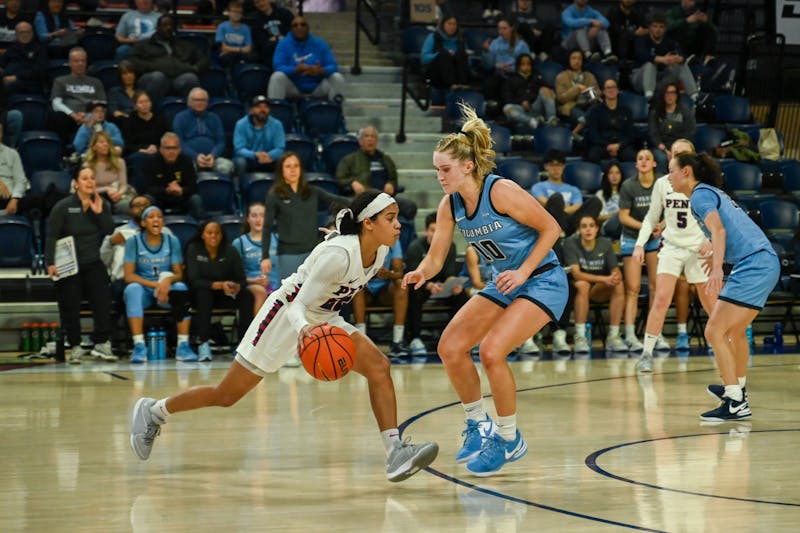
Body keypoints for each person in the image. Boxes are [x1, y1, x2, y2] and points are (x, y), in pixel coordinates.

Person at [130, 190, 440, 482]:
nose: (398, 224)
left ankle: (395, 452)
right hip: (285, 315)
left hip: (323, 317)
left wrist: (397, 276)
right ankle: (154, 411)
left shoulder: (380, 250)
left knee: (379, 367)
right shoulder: (338, 255)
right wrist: (305, 329)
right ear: (368, 223)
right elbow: (298, 304)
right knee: (226, 395)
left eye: (397, 216)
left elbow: (357, 278)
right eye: (390, 217)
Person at [403, 103, 567, 476]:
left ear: (467, 166)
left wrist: (524, 271)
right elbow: (435, 258)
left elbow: (552, 229)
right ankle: (478, 425)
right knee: (450, 346)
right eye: (436, 170)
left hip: (542, 278)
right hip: (505, 281)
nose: (440, 177)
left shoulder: (502, 192)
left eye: (445, 170)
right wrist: (420, 273)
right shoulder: (450, 206)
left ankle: (509, 438)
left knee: (492, 351)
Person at [668, 152, 779, 421]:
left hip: (754, 264)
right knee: (737, 332)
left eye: (671, 170)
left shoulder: (699, 195)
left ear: (686, 172)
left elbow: (719, 231)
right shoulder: (709, 192)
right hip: (763, 261)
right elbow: (726, 231)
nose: (668, 176)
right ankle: (737, 389)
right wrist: (714, 253)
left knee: (714, 330)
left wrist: (718, 267)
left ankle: (735, 401)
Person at [632, 139, 717, 372]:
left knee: (710, 302)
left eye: (682, 153)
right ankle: (647, 353)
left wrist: (710, 241)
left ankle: (722, 345)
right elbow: (651, 217)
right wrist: (640, 244)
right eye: (674, 152)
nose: (676, 156)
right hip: (672, 246)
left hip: (698, 247)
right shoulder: (663, 183)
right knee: (660, 299)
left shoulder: (704, 185)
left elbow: (718, 218)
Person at [45, 166, 117, 364]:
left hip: (92, 261)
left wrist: (99, 212)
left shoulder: (102, 205)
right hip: (68, 264)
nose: (90, 182)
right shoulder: (64, 206)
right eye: (85, 178)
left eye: (92, 178)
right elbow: (51, 236)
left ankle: (101, 343)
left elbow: (110, 230)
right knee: (70, 305)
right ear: (76, 183)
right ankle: (75, 346)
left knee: (103, 301)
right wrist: (50, 263)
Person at [123, 205, 198, 363]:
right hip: (145, 290)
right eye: (151, 217)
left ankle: (183, 346)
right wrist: (154, 285)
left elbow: (179, 274)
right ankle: (139, 346)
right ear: (143, 223)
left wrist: (167, 281)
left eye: (159, 216)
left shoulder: (172, 241)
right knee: (132, 289)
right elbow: (129, 276)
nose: (156, 219)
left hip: (165, 292)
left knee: (181, 288)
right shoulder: (133, 242)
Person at [261, 152, 349, 283]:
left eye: (296, 166)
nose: (293, 170)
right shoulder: (274, 195)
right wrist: (265, 256)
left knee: (313, 297)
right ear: (281, 170)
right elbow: (267, 227)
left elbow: (339, 201)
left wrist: (366, 200)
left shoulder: (312, 191)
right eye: (288, 166)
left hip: (312, 252)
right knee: (289, 298)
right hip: (288, 254)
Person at [184, 219, 254, 361]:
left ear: (222, 235)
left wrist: (236, 286)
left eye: (217, 233)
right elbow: (194, 280)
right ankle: (203, 344)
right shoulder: (194, 249)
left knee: (247, 296)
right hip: (200, 294)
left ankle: (242, 344)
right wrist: (219, 284)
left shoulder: (230, 250)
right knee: (204, 294)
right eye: (209, 233)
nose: (213, 236)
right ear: (202, 235)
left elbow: (241, 278)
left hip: (225, 295)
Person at [404, 212, 467, 358]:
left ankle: (457, 337)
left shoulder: (449, 246)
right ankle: (415, 338)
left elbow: (449, 272)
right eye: (432, 230)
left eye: (439, 230)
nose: (436, 234)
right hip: (423, 286)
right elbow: (412, 275)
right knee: (414, 292)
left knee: (460, 294)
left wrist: (453, 283)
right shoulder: (415, 247)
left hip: (441, 286)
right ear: (426, 231)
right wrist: (429, 285)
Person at [562, 214, 627, 352]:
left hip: (598, 289)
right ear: (578, 230)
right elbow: (576, 274)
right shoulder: (570, 243)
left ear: (597, 229)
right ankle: (580, 336)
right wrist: (605, 279)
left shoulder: (605, 243)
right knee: (582, 284)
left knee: (619, 284)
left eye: (591, 226)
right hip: (577, 288)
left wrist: (616, 276)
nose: (588, 230)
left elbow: (615, 269)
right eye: (584, 226)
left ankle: (613, 336)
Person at [618, 148, 660, 351]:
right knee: (633, 288)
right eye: (639, 158)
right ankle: (630, 335)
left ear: (654, 164)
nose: (643, 161)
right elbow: (623, 217)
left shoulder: (661, 184)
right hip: (632, 239)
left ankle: (654, 334)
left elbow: (670, 210)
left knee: (655, 287)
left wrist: (661, 225)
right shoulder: (628, 185)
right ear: (636, 164)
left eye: (647, 158)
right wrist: (646, 227)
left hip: (654, 240)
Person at [128, 13, 210, 103]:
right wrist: (151, 66)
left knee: (190, 78)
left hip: (177, 78)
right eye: (165, 25)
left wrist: (195, 68)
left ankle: (192, 113)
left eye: (171, 25)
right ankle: (149, 112)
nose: (168, 28)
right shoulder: (144, 44)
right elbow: (132, 60)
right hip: (152, 77)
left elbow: (204, 59)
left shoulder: (184, 45)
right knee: (158, 77)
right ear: (158, 28)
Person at [352, 237, 409, 357]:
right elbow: (352, 272)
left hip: (384, 290)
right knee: (358, 288)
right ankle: (361, 342)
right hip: (364, 287)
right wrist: (370, 273)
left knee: (401, 284)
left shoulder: (393, 240)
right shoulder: (361, 239)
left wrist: (388, 274)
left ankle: (397, 342)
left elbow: (399, 272)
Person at [267, 16, 345, 102]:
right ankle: (275, 113)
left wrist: (321, 70)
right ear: (291, 29)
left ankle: (335, 112)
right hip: (293, 86)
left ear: (308, 28)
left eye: (303, 25)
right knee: (277, 76)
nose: (299, 27)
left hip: (317, 86)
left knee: (337, 77)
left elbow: (333, 66)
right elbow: (278, 66)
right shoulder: (283, 44)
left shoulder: (320, 43)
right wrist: (295, 69)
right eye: (295, 25)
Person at [530, 149, 602, 236]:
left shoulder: (573, 189)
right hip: (551, 221)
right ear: (546, 166)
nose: (556, 169)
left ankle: (574, 232)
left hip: (571, 221)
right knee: (557, 198)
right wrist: (564, 206)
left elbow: (577, 206)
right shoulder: (538, 187)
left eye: (559, 165)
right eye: (553, 165)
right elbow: (546, 203)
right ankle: (561, 232)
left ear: (563, 166)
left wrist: (561, 209)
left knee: (595, 201)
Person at [631, 13, 698, 102]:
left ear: (665, 29)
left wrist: (677, 59)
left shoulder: (669, 41)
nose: (658, 30)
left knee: (681, 65)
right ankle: (649, 98)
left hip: (660, 80)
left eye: (661, 27)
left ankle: (695, 96)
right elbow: (641, 55)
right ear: (650, 28)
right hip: (640, 78)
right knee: (650, 65)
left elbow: (682, 55)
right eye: (655, 26)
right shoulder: (642, 40)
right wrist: (662, 59)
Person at [48, 47, 106, 145]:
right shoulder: (60, 81)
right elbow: (56, 103)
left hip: (92, 118)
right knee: (57, 116)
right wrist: (73, 115)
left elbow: (103, 103)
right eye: (76, 61)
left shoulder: (96, 82)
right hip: (69, 119)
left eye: (83, 61)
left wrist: (88, 115)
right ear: (70, 63)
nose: (80, 64)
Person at [141, 132, 204, 220]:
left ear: (179, 149)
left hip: (181, 198)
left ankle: (198, 227)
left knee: (196, 199)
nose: (171, 151)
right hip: (160, 199)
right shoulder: (151, 162)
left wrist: (182, 190)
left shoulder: (187, 161)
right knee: (147, 199)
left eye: (174, 148)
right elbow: (146, 187)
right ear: (161, 149)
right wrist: (166, 190)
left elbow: (193, 186)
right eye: (167, 148)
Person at [172, 87, 233, 175]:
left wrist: (213, 155)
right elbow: (179, 143)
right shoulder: (180, 118)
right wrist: (196, 156)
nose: (200, 103)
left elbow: (221, 142)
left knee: (227, 166)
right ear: (189, 102)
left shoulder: (214, 118)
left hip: (213, 158)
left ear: (207, 103)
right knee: (184, 168)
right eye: (196, 100)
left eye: (203, 100)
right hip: (190, 159)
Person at [419, 14, 471, 104]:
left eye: (454, 24)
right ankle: (451, 85)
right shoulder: (433, 37)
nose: (452, 27)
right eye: (449, 24)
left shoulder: (460, 39)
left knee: (461, 53)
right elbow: (424, 58)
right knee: (444, 54)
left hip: (457, 71)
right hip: (437, 72)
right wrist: (439, 54)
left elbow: (468, 62)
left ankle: (461, 84)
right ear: (443, 25)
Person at [232, 202, 272, 315]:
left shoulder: (277, 240)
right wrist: (254, 280)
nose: (258, 219)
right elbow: (234, 275)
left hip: (278, 285)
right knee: (260, 292)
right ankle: (257, 331)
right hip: (252, 285)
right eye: (254, 216)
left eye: (262, 215)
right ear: (248, 219)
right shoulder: (239, 242)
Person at [584, 78, 638, 163]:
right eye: (608, 88)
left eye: (613, 87)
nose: (611, 90)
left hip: (621, 145)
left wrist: (619, 145)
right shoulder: (595, 111)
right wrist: (608, 146)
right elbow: (593, 134)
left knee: (633, 157)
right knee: (592, 156)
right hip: (602, 145)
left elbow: (630, 134)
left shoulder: (626, 110)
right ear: (603, 91)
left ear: (617, 90)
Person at [500, 53, 557, 131]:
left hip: (535, 107)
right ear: (518, 65)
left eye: (528, 64)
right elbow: (507, 99)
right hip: (520, 110)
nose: (526, 67)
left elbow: (548, 92)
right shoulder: (511, 79)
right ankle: (531, 121)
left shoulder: (537, 77)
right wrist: (521, 102)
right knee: (507, 108)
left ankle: (551, 119)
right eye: (523, 64)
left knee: (546, 90)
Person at [648, 82, 696, 173]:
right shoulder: (656, 112)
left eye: (672, 93)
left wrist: (677, 149)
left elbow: (690, 131)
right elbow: (653, 133)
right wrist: (664, 149)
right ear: (663, 95)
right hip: (662, 147)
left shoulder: (685, 111)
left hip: (680, 146)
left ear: (677, 95)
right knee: (662, 159)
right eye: (667, 93)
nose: (670, 96)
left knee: (684, 158)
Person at [232, 95, 286, 176]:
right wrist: (255, 155)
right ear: (251, 110)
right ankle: (240, 186)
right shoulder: (241, 124)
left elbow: (280, 148)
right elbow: (239, 149)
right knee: (240, 162)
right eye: (258, 107)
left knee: (284, 160)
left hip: (269, 158)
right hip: (248, 159)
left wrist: (269, 155)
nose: (262, 110)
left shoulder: (277, 124)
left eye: (266, 107)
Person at [480, 17, 530, 102]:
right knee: (490, 81)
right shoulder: (495, 43)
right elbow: (488, 65)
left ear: (511, 28)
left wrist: (511, 69)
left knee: (510, 84)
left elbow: (526, 65)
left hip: (514, 75)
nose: (501, 31)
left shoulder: (521, 45)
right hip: (498, 74)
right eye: (499, 29)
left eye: (504, 28)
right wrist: (486, 51)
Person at [554, 49, 600, 141]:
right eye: (573, 58)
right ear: (569, 60)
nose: (577, 61)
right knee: (584, 116)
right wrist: (577, 89)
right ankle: (577, 133)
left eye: (579, 59)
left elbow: (598, 93)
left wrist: (589, 93)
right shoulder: (561, 77)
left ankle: (576, 133)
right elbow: (560, 99)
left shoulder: (589, 76)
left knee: (597, 111)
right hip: (570, 107)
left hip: (588, 105)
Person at [84, 131, 131, 214]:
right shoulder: (88, 165)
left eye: (108, 142)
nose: (106, 144)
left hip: (115, 194)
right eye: (101, 142)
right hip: (96, 195)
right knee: (104, 205)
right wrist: (106, 189)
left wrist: (119, 194)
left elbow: (123, 184)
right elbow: (87, 189)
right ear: (94, 147)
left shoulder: (119, 162)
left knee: (125, 205)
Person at [561, 0, 616, 64]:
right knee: (580, 28)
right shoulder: (567, 11)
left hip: (587, 41)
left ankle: (608, 53)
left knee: (601, 29)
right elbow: (570, 23)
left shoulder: (591, 11)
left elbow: (607, 23)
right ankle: (588, 54)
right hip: (569, 45)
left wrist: (597, 28)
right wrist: (590, 21)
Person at [0, 22, 47, 95]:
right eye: (21, 32)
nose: (25, 35)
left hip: (29, 82)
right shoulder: (12, 48)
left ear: (32, 33)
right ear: (16, 34)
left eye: (27, 32)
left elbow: (39, 71)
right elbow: (2, 64)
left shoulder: (40, 49)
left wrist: (16, 77)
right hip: (8, 78)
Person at [666, 0, 717, 67]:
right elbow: (667, 26)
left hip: (693, 44)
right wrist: (686, 21)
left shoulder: (696, 12)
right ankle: (684, 58)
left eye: (693, 1)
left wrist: (707, 22)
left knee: (709, 30)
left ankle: (707, 58)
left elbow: (715, 31)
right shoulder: (673, 11)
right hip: (677, 45)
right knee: (679, 30)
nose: (691, 3)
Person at [122, 90, 170, 157]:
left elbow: (167, 138)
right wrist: (143, 150)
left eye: (147, 101)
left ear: (151, 103)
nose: (145, 104)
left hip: (158, 151)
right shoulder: (130, 121)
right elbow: (128, 145)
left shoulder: (160, 119)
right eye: (141, 102)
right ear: (135, 105)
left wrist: (157, 148)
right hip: (139, 153)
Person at [248, 0, 293, 67]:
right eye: (257, 2)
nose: (260, 4)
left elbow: (293, 30)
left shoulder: (285, 13)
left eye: (262, 1)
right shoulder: (255, 20)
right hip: (268, 54)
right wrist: (278, 38)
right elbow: (261, 42)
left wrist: (279, 39)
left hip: (288, 48)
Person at [0, 122, 31, 216]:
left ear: (1, 134)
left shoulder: (12, 153)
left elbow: (21, 180)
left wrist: (15, 199)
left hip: (10, 197)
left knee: (37, 201)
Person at [215, 1, 253, 70]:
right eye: (234, 11)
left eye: (239, 12)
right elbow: (223, 48)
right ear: (228, 13)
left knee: (251, 57)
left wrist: (230, 49)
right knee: (227, 58)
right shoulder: (222, 27)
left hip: (240, 55)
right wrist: (241, 49)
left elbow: (248, 49)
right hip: (228, 57)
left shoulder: (246, 28)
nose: (237, 14)